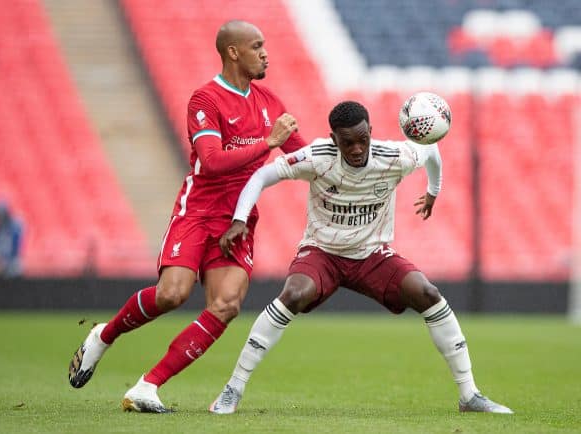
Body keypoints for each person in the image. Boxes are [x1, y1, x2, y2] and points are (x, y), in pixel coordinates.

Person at [209, 101, 513, 415]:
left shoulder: (394, 157)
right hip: (322, 252)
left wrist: (433, 190)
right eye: (347, 142)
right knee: (293, 294)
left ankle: (470, 395)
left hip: (371, 255)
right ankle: (233, 388)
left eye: (362, 139)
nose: (356, 149)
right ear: (333, 139)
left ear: (371, 132)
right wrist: (239, 220)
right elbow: (262, 176)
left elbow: (430, 149)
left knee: (428, 293)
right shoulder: (316, 158)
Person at [68, 19, 306, 413]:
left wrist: (353, 158)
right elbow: (211, 163)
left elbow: (302, 156)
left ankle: (148, 386)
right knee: (172, 294)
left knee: (226, 304)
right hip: (197, 211)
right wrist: (268, 142)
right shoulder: (206, 99)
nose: (265, 53)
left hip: (238, 220)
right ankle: (104, 336)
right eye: (257, 46)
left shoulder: (270, 103)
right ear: (233, 52)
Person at [0, 201, 23, 278]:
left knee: (13, 268)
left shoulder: (14, 226)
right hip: (1, 262)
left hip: (12, 261)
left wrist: (6, 261)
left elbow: (15, 246)